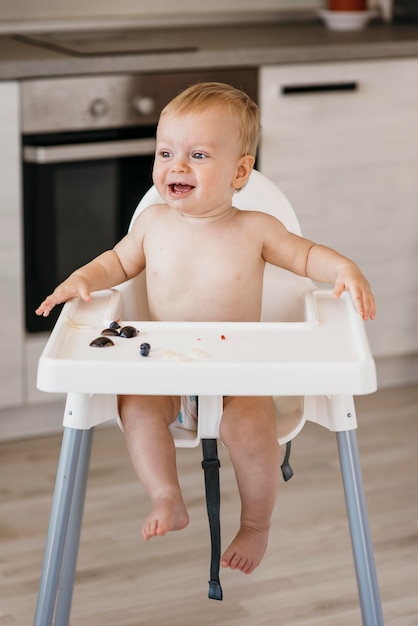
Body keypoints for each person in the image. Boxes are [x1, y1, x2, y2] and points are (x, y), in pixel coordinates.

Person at [36, 82, 375, 575]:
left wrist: (345, 269)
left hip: (240, 373)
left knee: (251, 429)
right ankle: (166, 495)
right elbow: (115, 263)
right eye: (166, 152)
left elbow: (306, 256)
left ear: (240, 171)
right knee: (138, 407)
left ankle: (256, 524)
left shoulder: (255, 228)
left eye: (197, 155)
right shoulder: (152, 222)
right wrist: (81, 279)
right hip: (167, 369)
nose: (176, 166)